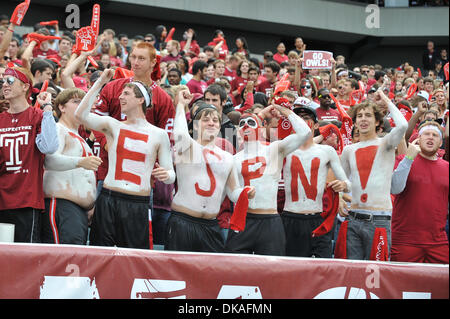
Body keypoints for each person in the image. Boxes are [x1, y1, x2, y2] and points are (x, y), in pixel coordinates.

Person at [75, 69, 175, 249]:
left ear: (141, 100)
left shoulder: (159, 135)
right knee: (100, 255)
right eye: (121, 93)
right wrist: (100, 84)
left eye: (126, 93)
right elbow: (80, 115)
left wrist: (166, 175)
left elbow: (171, 174)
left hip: (138, 204)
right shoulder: (113, 125)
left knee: (134, 261)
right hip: (108, 198)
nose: (121, 97)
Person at [167, 89, 255, 252]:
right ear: (195, 125)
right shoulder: (187, 147)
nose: (211, 123)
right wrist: (180, 105)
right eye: (205, 119)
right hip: (183, 221)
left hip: (211, 225)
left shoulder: (228, 157)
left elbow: (233, 191)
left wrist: (244, 192)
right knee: (178, 274)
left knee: (210, 275)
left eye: (215, 120)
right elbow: (179, 132)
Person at [225, 103, 311, 256]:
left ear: (261, 127)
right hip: (243, 218)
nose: (246, 126)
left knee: (272, 272)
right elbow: (232, 192)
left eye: (251, 123)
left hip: (270, 220)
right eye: (242, 123)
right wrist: (242, 194)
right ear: (238, 130)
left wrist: (285, 111)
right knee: (234, 269)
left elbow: (305, 133)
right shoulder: (233, 159)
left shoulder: (274, 149)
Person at [339, 89, 408, 260]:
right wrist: (340, 197)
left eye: (368, 115)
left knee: (376, 276)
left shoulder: (386, 143)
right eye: (359, 116)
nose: (363, 119)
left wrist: (386, 100)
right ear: (354, 122)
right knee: (353, 274)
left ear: (378, 121)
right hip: (353, 219)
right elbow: (341, 180)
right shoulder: (348, 150)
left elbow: (403, 126)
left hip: (379, 220)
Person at [282, 105, 350, 258]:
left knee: (322, 272)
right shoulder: (284, 149)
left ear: (316, 125)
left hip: (317, 219)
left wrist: (343, 185)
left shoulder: (326, 151)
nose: (303, 123)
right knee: (291, 271)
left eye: (307, 119)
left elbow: (347, 184)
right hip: (290, 218)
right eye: (298, 119)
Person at [0, 66, 59, 243]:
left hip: (27, 201)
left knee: (25, 261)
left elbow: (49, 146)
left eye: (10, 80)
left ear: (25, 86)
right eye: (3, 81)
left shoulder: (37, 115)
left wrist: (48, 107)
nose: (5, 85)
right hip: (1, 201)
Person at [41, 88, 102, 245]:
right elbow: (49, 161)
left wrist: (90, 205)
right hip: (61, 206)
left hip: (77, 210)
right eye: (76, 102)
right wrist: (80, 162)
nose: (81, 106)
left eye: (83, 103)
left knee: (73, 261)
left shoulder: (79, 136)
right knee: (61, 262)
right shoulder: (57, 128)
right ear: (61, 107)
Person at [390, 121, 449, 264]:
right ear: (419, 139)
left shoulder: (447, 168)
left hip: (437, 241)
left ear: (440, 142)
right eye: (426, 134)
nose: (430, 137)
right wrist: (409, 158)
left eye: (435, 135)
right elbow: (395, 188)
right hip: (405, 240)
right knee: (403, 284)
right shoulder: (404, 160)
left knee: (440, 285)